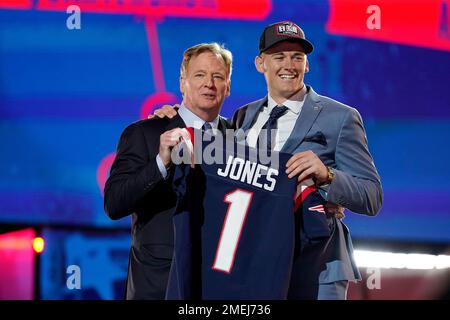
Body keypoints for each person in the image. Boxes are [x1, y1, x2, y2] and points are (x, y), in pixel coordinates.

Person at [152, 21, 383, 299]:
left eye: (297, 57)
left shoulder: (342, 117)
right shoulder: (242, 117)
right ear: (261, 63)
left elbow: (371, 197)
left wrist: (327, 176)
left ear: (307, 64)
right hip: (257, 266)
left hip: (316, 266)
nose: (289, 64)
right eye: (279, 56)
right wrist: (178, 115)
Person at [103, 43, 232, 299]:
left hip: (219, 289)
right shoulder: (145, 133)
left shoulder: (240, 141)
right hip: (158, 288)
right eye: (200, 75)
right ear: (182, 82)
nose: (209, 83)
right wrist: (161, 163)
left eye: (218, 76)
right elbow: (114, 203)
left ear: (228, 86)